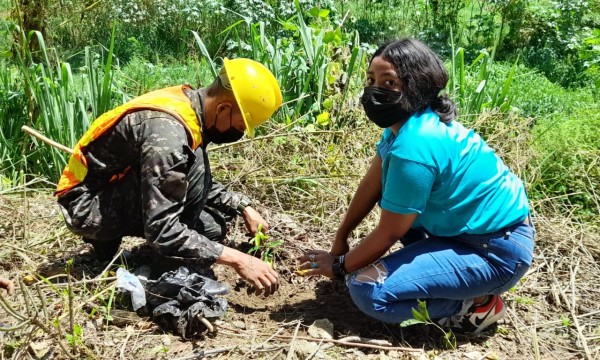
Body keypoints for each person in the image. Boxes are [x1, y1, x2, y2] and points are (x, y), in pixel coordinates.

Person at [299, 38, 535, 334]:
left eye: (389, 82)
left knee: (367, 291)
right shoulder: (403, 126)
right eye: (371, 79)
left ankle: (475, 303)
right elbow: (371, 184)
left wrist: (339, 266)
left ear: (415, 86)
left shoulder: (415, 146)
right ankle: (448, 278)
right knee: (394, 196)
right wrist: (341, 238)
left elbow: (389, 232)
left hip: (495, 251)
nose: (374, 89)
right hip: (468, 232)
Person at [56, 58, 282, 296]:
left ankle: (131, 248)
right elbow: (162, 228)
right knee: (192, 181)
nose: (240, 133)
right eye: (239, 125)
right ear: (223, 109)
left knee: (211, 227)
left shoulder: (188, 104)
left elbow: (180, 175)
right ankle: (161, 270)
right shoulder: (169, 135)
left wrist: (242, 206)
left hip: (109, 188)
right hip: (85, 208)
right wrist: (240, 260)